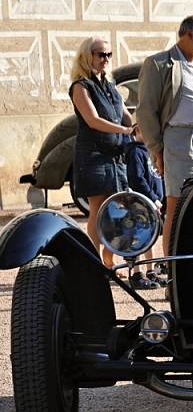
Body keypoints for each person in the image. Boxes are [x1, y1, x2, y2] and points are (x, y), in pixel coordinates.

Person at [137, 15, 193, 272]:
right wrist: (156, 149)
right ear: (188, 35)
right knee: (176, 203)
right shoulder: (160, 63)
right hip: (182, 140)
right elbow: (145, 110)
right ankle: (174, 270)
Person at [69, 36, 134, 270]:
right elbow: (93, 120)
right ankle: (93, 262)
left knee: (117, 206)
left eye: (108, 54)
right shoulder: (80, 86)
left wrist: (143, 126)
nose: (105, 59)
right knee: (97, 210)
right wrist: (125, 130)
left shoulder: (109, 84)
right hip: (93, 156)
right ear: (88, 56)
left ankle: (109, 259)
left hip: (115, 155)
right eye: (100, 54)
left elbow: (125, 114)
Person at [124, 124, 166, 289]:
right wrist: (153, 197)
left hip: (153, 203)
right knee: (138, 237)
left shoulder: (149, 151)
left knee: (151, 237)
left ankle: (150, 271)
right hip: (140, 202)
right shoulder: (135, 152)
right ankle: (136, 273)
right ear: (137, 132)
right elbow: (137, 179)